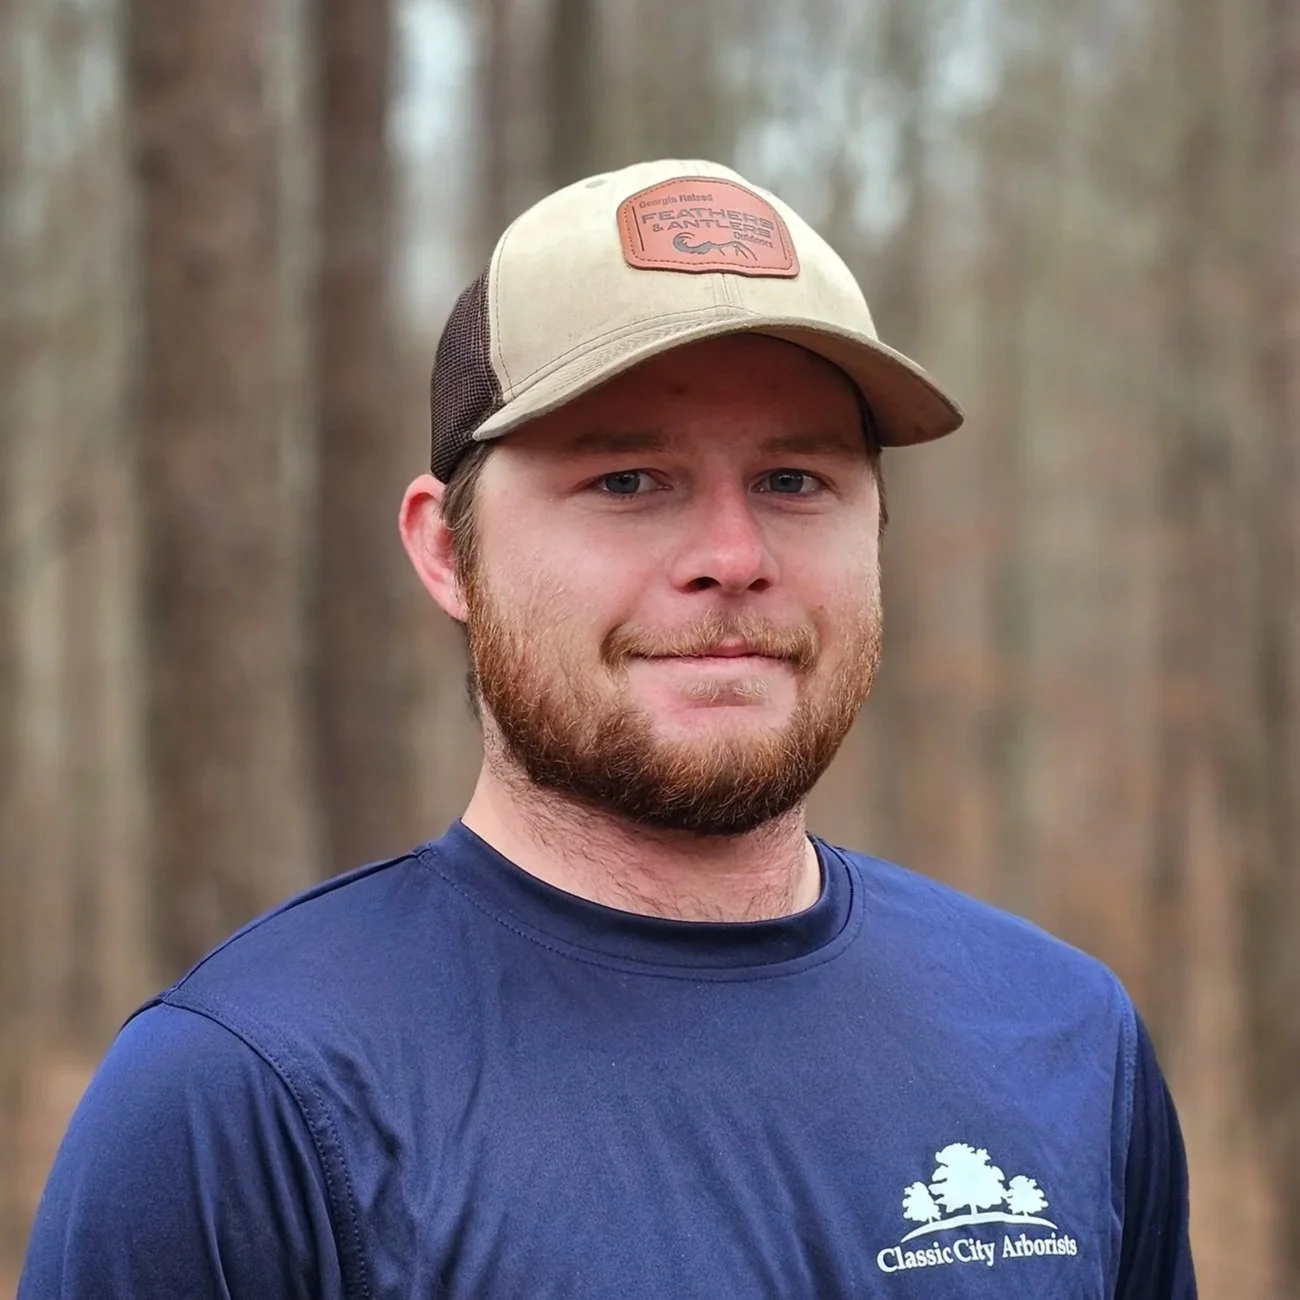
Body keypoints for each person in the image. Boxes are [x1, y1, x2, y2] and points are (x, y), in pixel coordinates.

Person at [19, 159, 1195, 1298]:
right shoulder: (246, 1098)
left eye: (795, 480)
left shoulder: (1061, 1037)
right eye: (628, 481)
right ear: (445, 549)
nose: (732, 559)